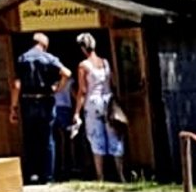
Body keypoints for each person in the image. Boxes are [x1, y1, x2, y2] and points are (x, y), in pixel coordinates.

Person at [10, 31, 68, 183]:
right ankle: (48, 176)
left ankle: (31, 174)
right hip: (46, 101)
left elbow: (16, 86)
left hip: (28, 103)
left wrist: (13, 108)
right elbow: (66, 73)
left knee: (30, 139)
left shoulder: (22, 58)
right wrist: (58, 89)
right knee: (48, 139)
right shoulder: (50, 59)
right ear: (45, 45)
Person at [73, 30, 124, 183]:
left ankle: (100, 176)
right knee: (114, 136)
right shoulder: (105, 62)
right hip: (108, 100)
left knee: (96, 138)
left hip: (92, 102)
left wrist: (76, 112)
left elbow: (82, 90)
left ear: (82, 48)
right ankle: (120, 175)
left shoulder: (83, 65)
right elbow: (113, 83)